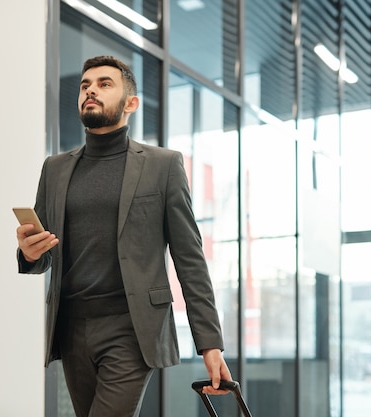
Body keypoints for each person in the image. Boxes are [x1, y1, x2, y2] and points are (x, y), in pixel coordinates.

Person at [16, 55, 232, 417]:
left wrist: (210, 344)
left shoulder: (163, 165)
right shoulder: (54, 168)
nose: (91, 91)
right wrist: (29, 252)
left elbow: (189, 258)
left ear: (130, 103)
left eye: (104, 84)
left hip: (132, 329)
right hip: (71, 328)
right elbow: (45, 252)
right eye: (85, 85)